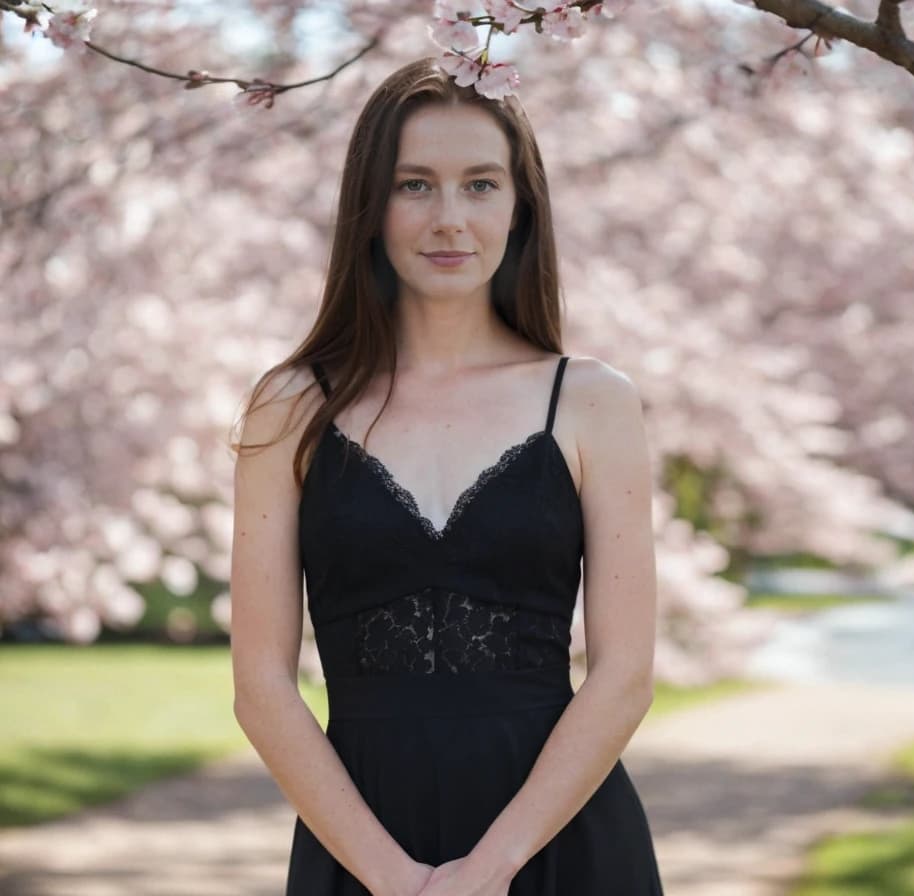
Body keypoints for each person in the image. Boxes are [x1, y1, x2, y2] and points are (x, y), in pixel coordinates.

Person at [228, 56, 663, 896]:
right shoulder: (290, 407)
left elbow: (624, 677)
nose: (450, 219)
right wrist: (392, 879)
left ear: (519, 206)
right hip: (360, 847)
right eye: (415, 185)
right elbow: (261, 687)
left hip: (562, 844)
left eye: (481, 185)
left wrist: (491, 870)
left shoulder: (593, 402)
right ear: (371, 205)